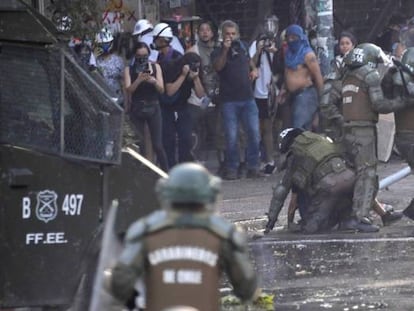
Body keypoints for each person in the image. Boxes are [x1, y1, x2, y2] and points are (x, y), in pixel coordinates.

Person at [106, 162, 258, 310]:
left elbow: (120, 284)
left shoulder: (145, 231)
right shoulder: (224, 233)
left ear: (166, 192)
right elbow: (247, 287)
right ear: (210, 193)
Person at [335, 43, 411, 231]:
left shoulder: (347, 77)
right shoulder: (370, 75)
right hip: (363, 131)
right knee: (367, 173)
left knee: (356, 173)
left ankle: (352, 216)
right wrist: (402, 102)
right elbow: (379, 105)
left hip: (348, 129)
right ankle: (359, 218)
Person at [264, 128, 357, 234]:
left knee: (310, 228)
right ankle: (351, 220)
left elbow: (281, 192)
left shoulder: (296, 154)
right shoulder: (322, 139)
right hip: (351, 180)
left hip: (330, 187)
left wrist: (270, 223)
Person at [212, 20, 261, 180]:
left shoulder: (243, 46)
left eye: (233, 34)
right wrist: (225, 50)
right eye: (228, 34)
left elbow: (250, 62)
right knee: (231, 136)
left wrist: (254, 70)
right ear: (222, 34)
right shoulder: (218, 50)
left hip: (247, 97)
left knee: (254, 133)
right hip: (229, 100)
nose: (231, 37)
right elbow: (218, 67)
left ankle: (253, 166)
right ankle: (231, 168)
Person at [124, 42, 169, 171]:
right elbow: (129, 89)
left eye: (144, 55)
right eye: (139, 55)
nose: (142, 58)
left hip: (153, 106)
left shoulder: (156, 67)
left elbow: (161, 90)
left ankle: (165, 172)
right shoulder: (129, 70)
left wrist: (153, 81)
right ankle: (143, 173)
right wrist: (138, 80)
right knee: (140, 144)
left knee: (157, 144)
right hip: (137, 107)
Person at [162, 52, 206, 167]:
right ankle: (170, 166)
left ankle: (184, 164)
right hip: (168, 107)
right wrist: (183, 75)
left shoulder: (195, 72)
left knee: (186, 137)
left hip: (182, 106)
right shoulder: (172, 67)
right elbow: (170, 91)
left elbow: (200, 94)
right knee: (169, 139)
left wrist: (196, 79)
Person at [249, 15, 280, 175]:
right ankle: (258, 159)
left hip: (272, 92)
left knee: (269, 127)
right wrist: (260, 50)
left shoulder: (279, 44)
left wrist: (275, 51)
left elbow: (281, 66)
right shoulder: (256, 45)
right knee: (256, 128)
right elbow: (251, 63)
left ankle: (271, 161)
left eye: (273, 25)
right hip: (257, 92)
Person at [187, 20, 220, 162]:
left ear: (213, 33)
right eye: (202, 30)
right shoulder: (192, 51)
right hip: (196, 99)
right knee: (196, 132)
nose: (205, 32)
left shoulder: (219, 50)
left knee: (216, 133)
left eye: (208, 29)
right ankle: (195, 161)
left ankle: (221, 163)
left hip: (216, 97)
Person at [281, 24, 324, 130]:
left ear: (300, 37)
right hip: (292, 96)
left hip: (306, 95)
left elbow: (318, 77)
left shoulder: (308, 55)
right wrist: (284, 90)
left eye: (294, 37)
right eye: (289, 38)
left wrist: (322, 102)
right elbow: (287, 73)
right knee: (290, 130)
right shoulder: (288, 53)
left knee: (299, 130)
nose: (291, 40)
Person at [91, 28, 125, 104]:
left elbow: (123, 80)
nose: (104, 46)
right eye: (102, 44)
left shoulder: (118, 60)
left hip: (117, 98)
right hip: (100, 99)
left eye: (107, 43)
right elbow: (92, 75)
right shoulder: (95, 60)